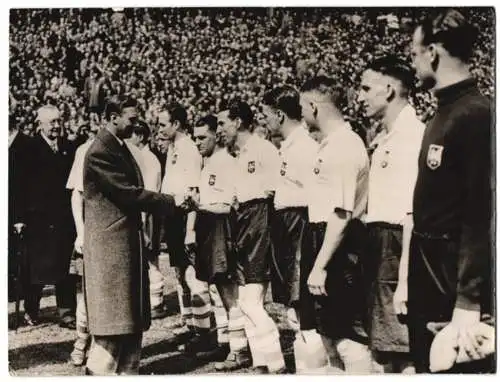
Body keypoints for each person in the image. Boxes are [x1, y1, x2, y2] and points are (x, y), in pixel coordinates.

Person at [407, 9, 493, 373]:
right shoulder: (442, 114)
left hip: (452, 277)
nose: (413, 63)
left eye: (413, 54)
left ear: (433, 53)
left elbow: (482, 211)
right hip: (429, 270)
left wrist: (469, 299)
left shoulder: (475, 114)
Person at [82, 96, 176, 375]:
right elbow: (127, 193)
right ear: (113, 117)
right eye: (131, 119)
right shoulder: (100, 152)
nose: (137, 124)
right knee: (111, 333)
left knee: (130, 329)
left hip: (123, 250)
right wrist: (171, 202)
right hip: (110, 254)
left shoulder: (119, 148)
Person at [300, 76, 373, 373]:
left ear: (314, 107)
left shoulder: (344, 146)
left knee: (348, 337)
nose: (301, 113)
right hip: (323, 240)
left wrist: (321, 264)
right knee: (328, 334)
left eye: (302, 107)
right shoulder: (329, 145)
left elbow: (342, 214)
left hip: (340, 246)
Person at [358, 55, 424, 374]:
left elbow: (414, 213)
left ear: (388, 90)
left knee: (401, 348)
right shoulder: (386, 139)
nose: (359, 96)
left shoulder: (412, 137)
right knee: (385, 350)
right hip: (380, 245)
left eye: (365, 88)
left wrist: (406, 282)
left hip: (398, 249)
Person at [216, 100, 285, 374]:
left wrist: (258, 232)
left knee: (251, 300)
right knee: (246, 300)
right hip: (243, 222)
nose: (219, 129)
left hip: (259, 223)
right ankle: (261, 361)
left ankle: (276, 361)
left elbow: (271, 194)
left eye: (222, 122)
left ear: (238, 122)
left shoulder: (263, 150)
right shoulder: (239, 154)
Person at [261, 85, 326, 372]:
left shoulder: (305, 149)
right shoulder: (288, 147)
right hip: (287, 227)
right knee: (293, 310)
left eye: (266, 115)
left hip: (300, 228)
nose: (264, 121)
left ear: (279, 115)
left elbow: (316, 199)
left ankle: (312, 371)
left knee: (304, 310)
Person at [187, 114, 245, 362]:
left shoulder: (227, 164)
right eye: (195, 137)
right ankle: (225, 342)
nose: (197, 142)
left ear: (216, 136)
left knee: (230, 292)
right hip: (208, 228)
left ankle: (240, 350)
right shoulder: (208, 163)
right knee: (216, 289)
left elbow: (228, 206)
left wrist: (198, 206)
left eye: (202, 137)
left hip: (222, 229)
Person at [157, 104, 210, 345]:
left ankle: (203, 329)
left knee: (191, 273)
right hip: (172, 213)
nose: (159, 128)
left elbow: (193, 191)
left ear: (176, 124)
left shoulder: (189, 148)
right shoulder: (174, 147)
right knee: (179, 272)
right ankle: (189, 322)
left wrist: (190, 229)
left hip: (185, 215)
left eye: (163, 124)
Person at [22, 105, 77, 328]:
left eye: (58, 121)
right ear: (40, 124)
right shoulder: (28, 148)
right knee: (36, 266)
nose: (56, 126)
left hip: (63, 216)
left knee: (65, 265)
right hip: (38, 218)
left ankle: (66, 312)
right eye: (51, 122)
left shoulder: (67, 147)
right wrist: (19, 217)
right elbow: (18, 185)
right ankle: (31, 309)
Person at [127, 120, 167, 319]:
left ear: (140, 136)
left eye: (131, 135)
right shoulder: (141, 158)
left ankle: (157, 302)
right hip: (146, 211)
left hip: (149, 212)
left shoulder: (148, 160)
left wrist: (143, 220)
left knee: (150, 257)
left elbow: (148, 194)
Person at [66, 130, 96, 366]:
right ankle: (81, 340)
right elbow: (77, 195)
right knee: (85, 291)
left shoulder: (129, 150)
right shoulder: (85, 150)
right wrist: (81, 231)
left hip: (116, 235)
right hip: (91, 232)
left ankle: (100, 343)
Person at [8, 114, 32, 305]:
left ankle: (18, 292)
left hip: (17, 209)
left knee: (18, 254)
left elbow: (25, 186)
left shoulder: (25, 144)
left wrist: (20, 215)